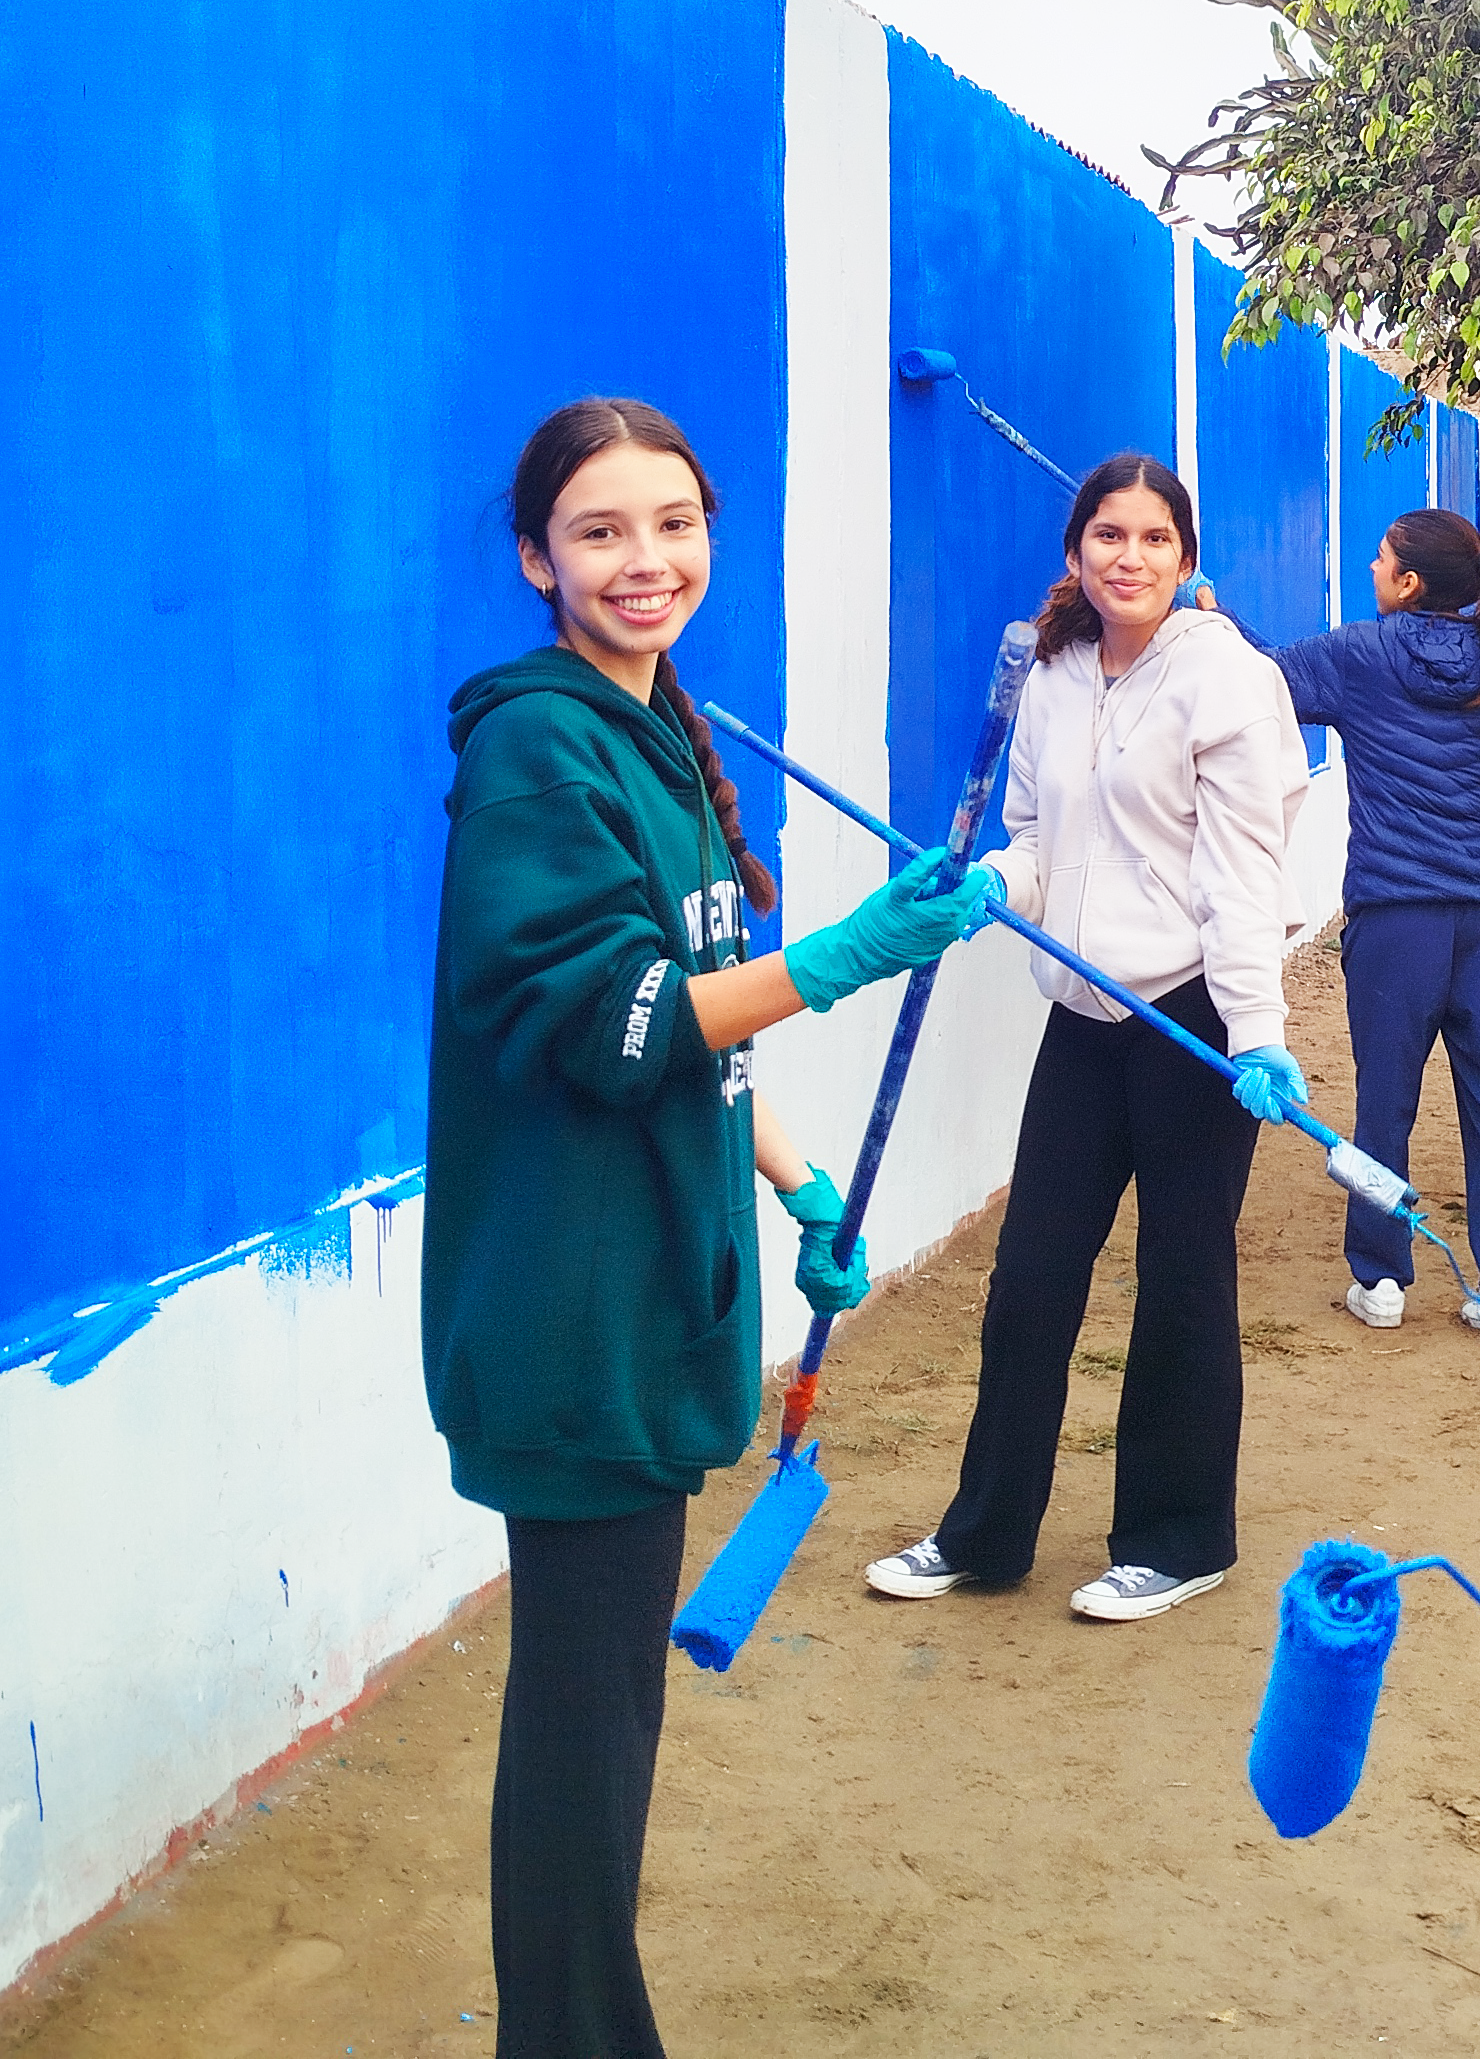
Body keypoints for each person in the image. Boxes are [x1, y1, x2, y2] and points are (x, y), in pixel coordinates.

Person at [427, 396, 996, 2059]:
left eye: (674, 521)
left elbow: (700, 1027)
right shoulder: (537, 748)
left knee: (605, 1709)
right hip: (569, 1300)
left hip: (655, 1280)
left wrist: (794, 1173)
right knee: (583, 1731)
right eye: (601, 530)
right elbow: (609, 1013)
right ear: (538, 555)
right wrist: (840, 957)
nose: (646, 558)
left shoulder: (659, 725)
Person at [866, 455, 1307, 1622]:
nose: (1128, 556)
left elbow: (1241, 874)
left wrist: (1258, 1031)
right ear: (1076, 551)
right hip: (1082, 1010)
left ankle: (1177, 1537)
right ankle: (986, 1531)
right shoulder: (1053, 674)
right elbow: (1029, 834)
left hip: (1194, 1018)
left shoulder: (1227, 681)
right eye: (1107, 535)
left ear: (1185, 558)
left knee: (1181, 1278)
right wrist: (990, 887)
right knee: (1030, 1279)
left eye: (1153, 539)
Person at [1280, 510, 1480, 1333]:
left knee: (1385, 1104)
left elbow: (1259, 680)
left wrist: (1209, 615)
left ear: (1409, 582)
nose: (1372, 569)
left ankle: (1380, 1283)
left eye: (1380, 559)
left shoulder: (1359, 654)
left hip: (1393, 923)